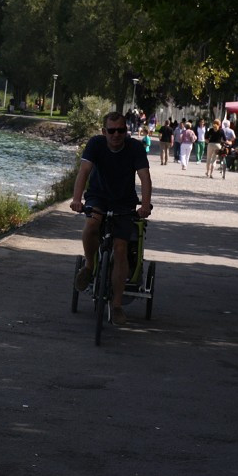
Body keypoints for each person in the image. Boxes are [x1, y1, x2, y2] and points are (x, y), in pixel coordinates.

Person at [71, 112, 153, 326]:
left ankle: (116, 306)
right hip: (98, 196)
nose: (116, 135)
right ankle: (89, 266)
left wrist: (145, 205)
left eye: (121, 130)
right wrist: (77, 199)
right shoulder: (96, 144)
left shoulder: (134, 148)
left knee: (120, 248)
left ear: (127, 131)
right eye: (112, 130)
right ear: (103, 131)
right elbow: (84, 171)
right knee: (91, 224)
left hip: (124, 201)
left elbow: (144, 176)